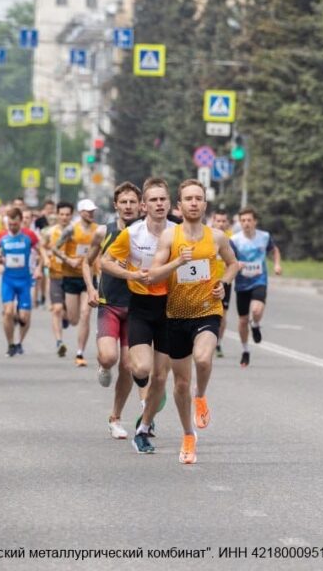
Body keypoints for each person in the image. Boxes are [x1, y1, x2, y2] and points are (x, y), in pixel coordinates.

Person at [147, 179, 240, 464]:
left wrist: (223, 282)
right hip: (176, 315)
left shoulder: (217, 237)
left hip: (207, 310)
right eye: (188, 199)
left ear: (205, 204)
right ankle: (188, 435)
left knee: (202, 358)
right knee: (179, 384)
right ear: (179, 205)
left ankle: (202, 396)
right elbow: (152, 275)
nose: (194, 203)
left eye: (198, 198)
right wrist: (177, 262)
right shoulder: (170, 238)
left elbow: (234, 263)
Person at [99, 178, 175, 454]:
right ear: (145, 206)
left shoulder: (178, 232)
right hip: (140, 306)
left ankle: (143, 429)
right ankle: (144, 402)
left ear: (169, 203)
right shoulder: (132, 234)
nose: (158, 204)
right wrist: (131, 274)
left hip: (170, 307)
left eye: (162, 199)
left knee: (160, 378)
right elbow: (104, 261)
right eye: (153, 200)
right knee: (140, 369)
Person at [83, 182, 141, 440]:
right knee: (109, 358)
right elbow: (85, 263)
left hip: (138, 306)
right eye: (123, 202)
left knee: (128, 366)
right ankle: (103, 367)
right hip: (109, 304)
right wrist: (91, 289)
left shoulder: (147, 233)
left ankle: (115, 417)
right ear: (116, 205)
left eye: (132, 202)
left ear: (140, 206)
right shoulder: (103, 232)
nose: (128, 207)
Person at [232, 207, 282, 367]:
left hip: (259, 280)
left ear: (255, 221)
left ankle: (256, 324)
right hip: (242, 283)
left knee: (256, 310)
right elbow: (229, 259)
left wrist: (277, 265)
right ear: (240, 222)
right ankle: (245, 350)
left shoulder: (264, 237)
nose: (246, 223)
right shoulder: (235, 240)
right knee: (242, 320)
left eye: (249, 220)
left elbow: (274, 251)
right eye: (243, 220)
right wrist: (234, 266)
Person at [0, 207, 42, 356]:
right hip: (8, 280)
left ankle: (20, 342)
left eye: (15, 224)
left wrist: (39, 268)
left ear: (21, 221)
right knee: (7, 312)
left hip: (25, 281)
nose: (12, 227)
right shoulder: (1, 236)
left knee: (25, 317)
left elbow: (42, 254)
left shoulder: (29, 236)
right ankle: (11, 344)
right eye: (10, 224)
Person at [55, 199, 99, 367]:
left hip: (88, 277)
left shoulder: (98, 230)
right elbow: (55, 248)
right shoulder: (71, 229)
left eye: (93, 210)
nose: (91, 213)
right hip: (70, 276)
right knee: (74, 319)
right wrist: (68, 260)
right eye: (88, 211)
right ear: (81, 212)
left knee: (85, 314)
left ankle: (80, 352)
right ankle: (66, 316)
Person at [43, 203, 73, 357]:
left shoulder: (75, 232)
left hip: (72, 276)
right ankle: (59, 342)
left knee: (69, 313)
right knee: (56, 309)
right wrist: (45, 258)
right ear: (57, 215)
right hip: (55, 275)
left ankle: (66, 317)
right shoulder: (50, 232)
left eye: (67, 214)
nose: (64, 217)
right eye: (61, 214)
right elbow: (42, 247)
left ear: (71, 216)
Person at [210, 209, 234, 359]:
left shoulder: (231, 238)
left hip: (224, 280)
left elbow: (236, 258)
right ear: (213, 221)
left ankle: (218, 342)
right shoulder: (207, 235)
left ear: (227, 222)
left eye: (223, 221)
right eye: (218, 220)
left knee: (222, 315)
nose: (220, 223)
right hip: (208, 280)